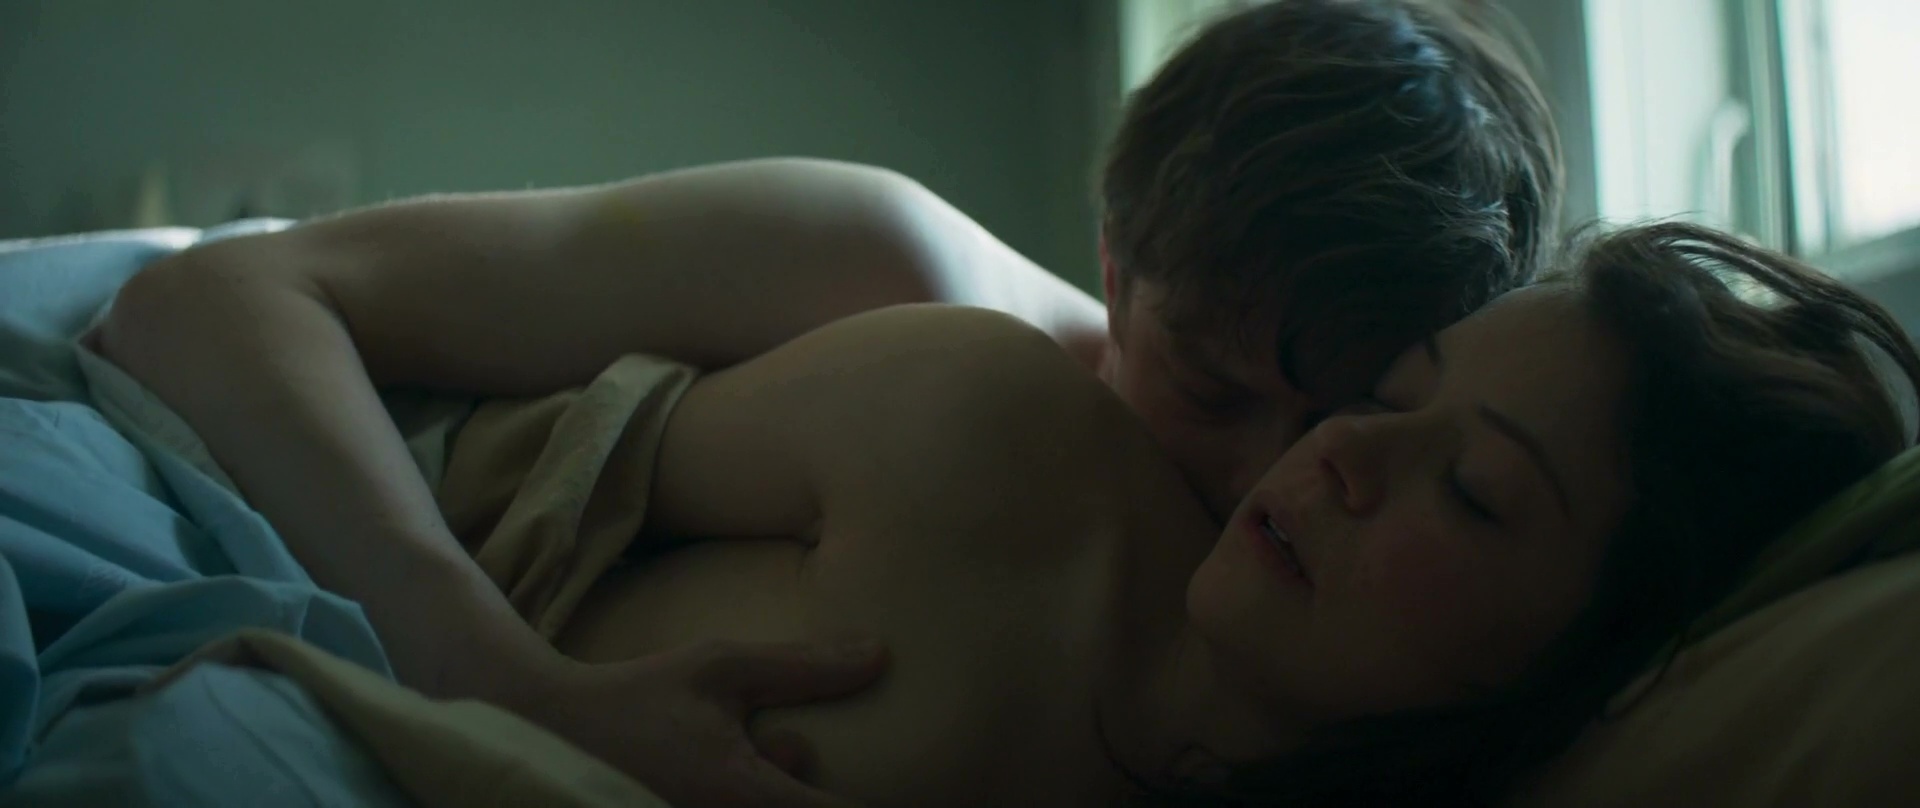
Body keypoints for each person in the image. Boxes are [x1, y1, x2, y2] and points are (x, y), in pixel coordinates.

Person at [100, 1, 1560, 805]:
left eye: (1343, 418)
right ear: (1117, 269)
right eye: (1212, 389)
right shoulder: (898, 278)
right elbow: (216, 299)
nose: (1264, 476)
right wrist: (506, 686)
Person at [104, 218, 1920, 805]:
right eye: (1396, 393)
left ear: (1598, 664)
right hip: (202, 474)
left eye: (1469, 485)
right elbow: (203, 307)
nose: (1332, 455)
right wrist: (508, 683)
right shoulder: (979, 426)